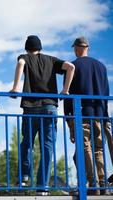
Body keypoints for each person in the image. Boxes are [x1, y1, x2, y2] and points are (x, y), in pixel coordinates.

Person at [10, 35, 75, 195]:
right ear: (40, 47)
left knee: (27, 143)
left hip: (30, 107)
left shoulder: (24, 57)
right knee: (47, 146)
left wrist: (16, 87)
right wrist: (65, 90)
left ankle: (24, 177)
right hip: (49, 107)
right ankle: (42, 187)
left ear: (27, 48)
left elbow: (20, 63)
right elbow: (71, 67)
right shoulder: (51, 60)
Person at [64, 36, 111, 195]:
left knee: (85, 148)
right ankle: (103, 183)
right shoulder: (102, 67)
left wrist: (68, 117)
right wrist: (105, 117)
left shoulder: (72, 66)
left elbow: (68, 95)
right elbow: (106, 93)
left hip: (81, 114)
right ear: (88, 48)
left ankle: (93, 184)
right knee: (99, 149)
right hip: (99, 114)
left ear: (77, 48)